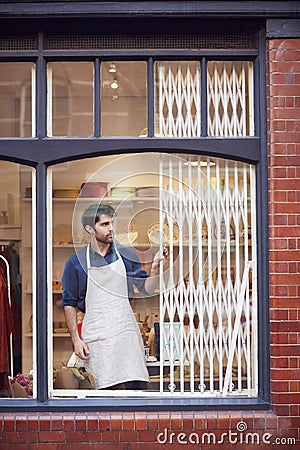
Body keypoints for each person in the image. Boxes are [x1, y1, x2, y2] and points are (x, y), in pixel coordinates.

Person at [62, 203, 168, 390]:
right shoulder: (75, 263)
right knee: (101, 398)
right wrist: (76, 340)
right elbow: (69, 303)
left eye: (112, 223)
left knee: (134, 397)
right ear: (89, 229)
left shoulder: (126, 255)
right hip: (96, 340)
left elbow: (146, 289)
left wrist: (155, 270)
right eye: (104, 224)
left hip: (125, 336)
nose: (111, 228)